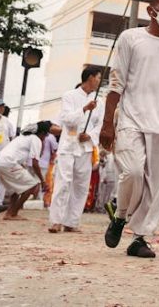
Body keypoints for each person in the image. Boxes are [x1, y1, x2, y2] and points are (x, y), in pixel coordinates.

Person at [100, 0, 159, 260]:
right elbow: (116, 83)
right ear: (150, 11)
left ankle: (139, 238)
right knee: (132, 173)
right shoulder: (131, 38)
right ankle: (119, 217)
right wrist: (108, 123)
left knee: (156, 186)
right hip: (131, 119)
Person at [48, 68, 105, 233]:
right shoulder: (69, 96)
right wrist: (84, 109)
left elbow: (99, 125)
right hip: (68, 146)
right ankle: (56, 220)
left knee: (81, 185)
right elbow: (66, 119)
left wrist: (90, 136)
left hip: (86, 148)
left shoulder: (99, 101)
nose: (99, 81)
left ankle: (71, 222)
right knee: (63, 182)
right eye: (98, 77)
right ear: (90, 78)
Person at [0, 121, 50, 220]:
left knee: (16, 189)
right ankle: (13, 213)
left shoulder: (22, 137)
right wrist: (42, 181)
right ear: (43, 133)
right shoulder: (36, 139)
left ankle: (9, 213)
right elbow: (35, 163)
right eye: (46, 135)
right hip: (8, 162)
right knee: (32, 186)